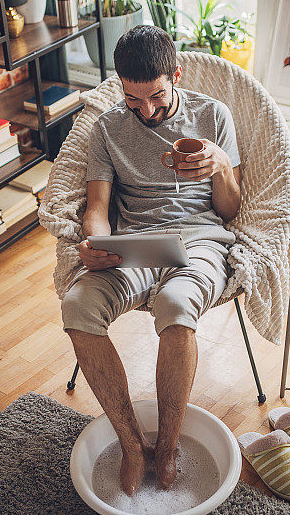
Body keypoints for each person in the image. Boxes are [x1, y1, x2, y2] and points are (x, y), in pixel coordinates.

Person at [61, 25, 241, 496]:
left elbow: (231, 209)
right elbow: (97, 209)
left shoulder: (214, 115)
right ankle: (132, 443)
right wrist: (97, 244)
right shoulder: (106, 129)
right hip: (135, 244)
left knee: (177, 308)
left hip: (201, 240)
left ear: (176, 75)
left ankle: (168, 445)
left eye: (157, 97)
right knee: (78, 306)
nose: (147, 110)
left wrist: (220, 164)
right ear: (121, 85)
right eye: (133, 99)